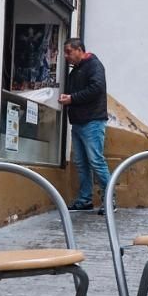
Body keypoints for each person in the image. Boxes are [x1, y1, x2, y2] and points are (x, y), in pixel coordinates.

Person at [60, 38, 110, 211]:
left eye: (68, 51)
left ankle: (109, 200)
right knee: (81, 163)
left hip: (93, 122)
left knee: (96, 161)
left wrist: (72, 98)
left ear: (79, 49)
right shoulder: (74, 73)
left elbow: (97, 88)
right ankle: (85, 200)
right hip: (78, 123)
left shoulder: (94, 65)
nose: (66, 56)